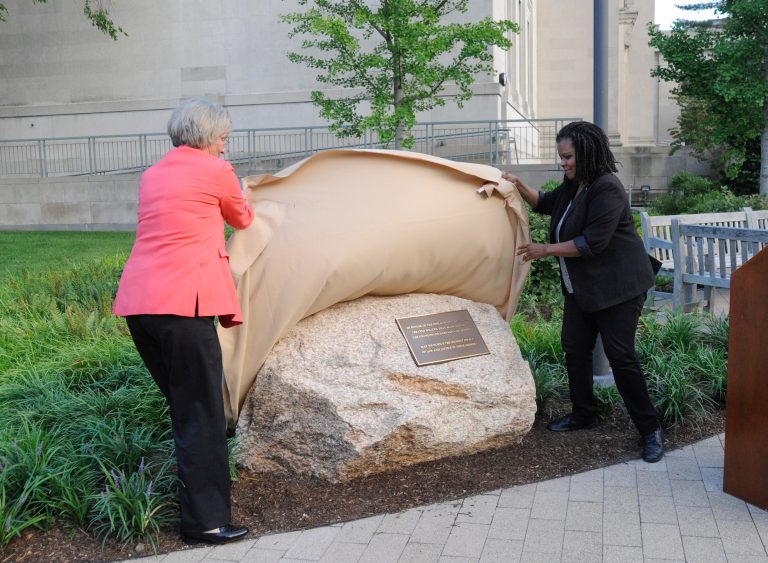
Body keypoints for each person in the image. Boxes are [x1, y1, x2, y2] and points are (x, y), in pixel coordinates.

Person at [113, 99, 254, 542]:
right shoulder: (217, 171)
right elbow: (243, 218)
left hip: (141, 307)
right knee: (202, 415)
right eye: (223, 140)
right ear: (209, 138)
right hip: (182, 307)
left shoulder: (152, 174)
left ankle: (198, 512)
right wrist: (243, 190)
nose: (224, 149)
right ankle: (207, 523)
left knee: (187, 412)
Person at [502, 121, 663, 463]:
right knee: (574, 348)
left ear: (587, 152)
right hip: (584, 289)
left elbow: (593, 243)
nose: (564, 163)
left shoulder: (607, 188)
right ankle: (584, 412)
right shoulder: (574, 186)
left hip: (619, 287)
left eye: (568, 157)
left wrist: (544, 249)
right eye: (561, 157)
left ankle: (650, 429)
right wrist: (519, 186)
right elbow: (545, 202)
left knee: (621, 357)